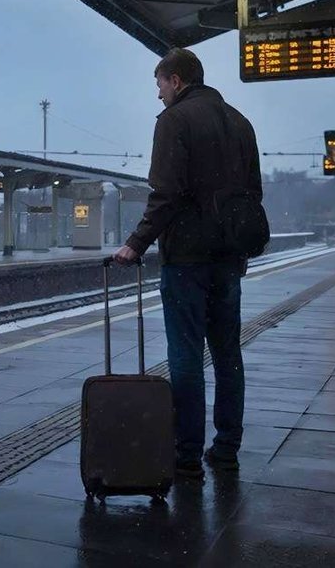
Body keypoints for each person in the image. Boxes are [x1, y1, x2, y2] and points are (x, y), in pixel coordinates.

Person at [113, 47, 262, 480]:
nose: (157, 95)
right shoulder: (240, 122)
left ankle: (186, 454)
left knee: (185, 354)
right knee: (228, 353)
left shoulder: (174, 121)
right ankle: (227, 448)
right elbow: (252, 193)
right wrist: (240, 248)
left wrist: (135, 245)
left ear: (176, 80)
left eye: (159, 84)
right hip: (227, 258)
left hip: (187, 258)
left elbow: (166, 193)